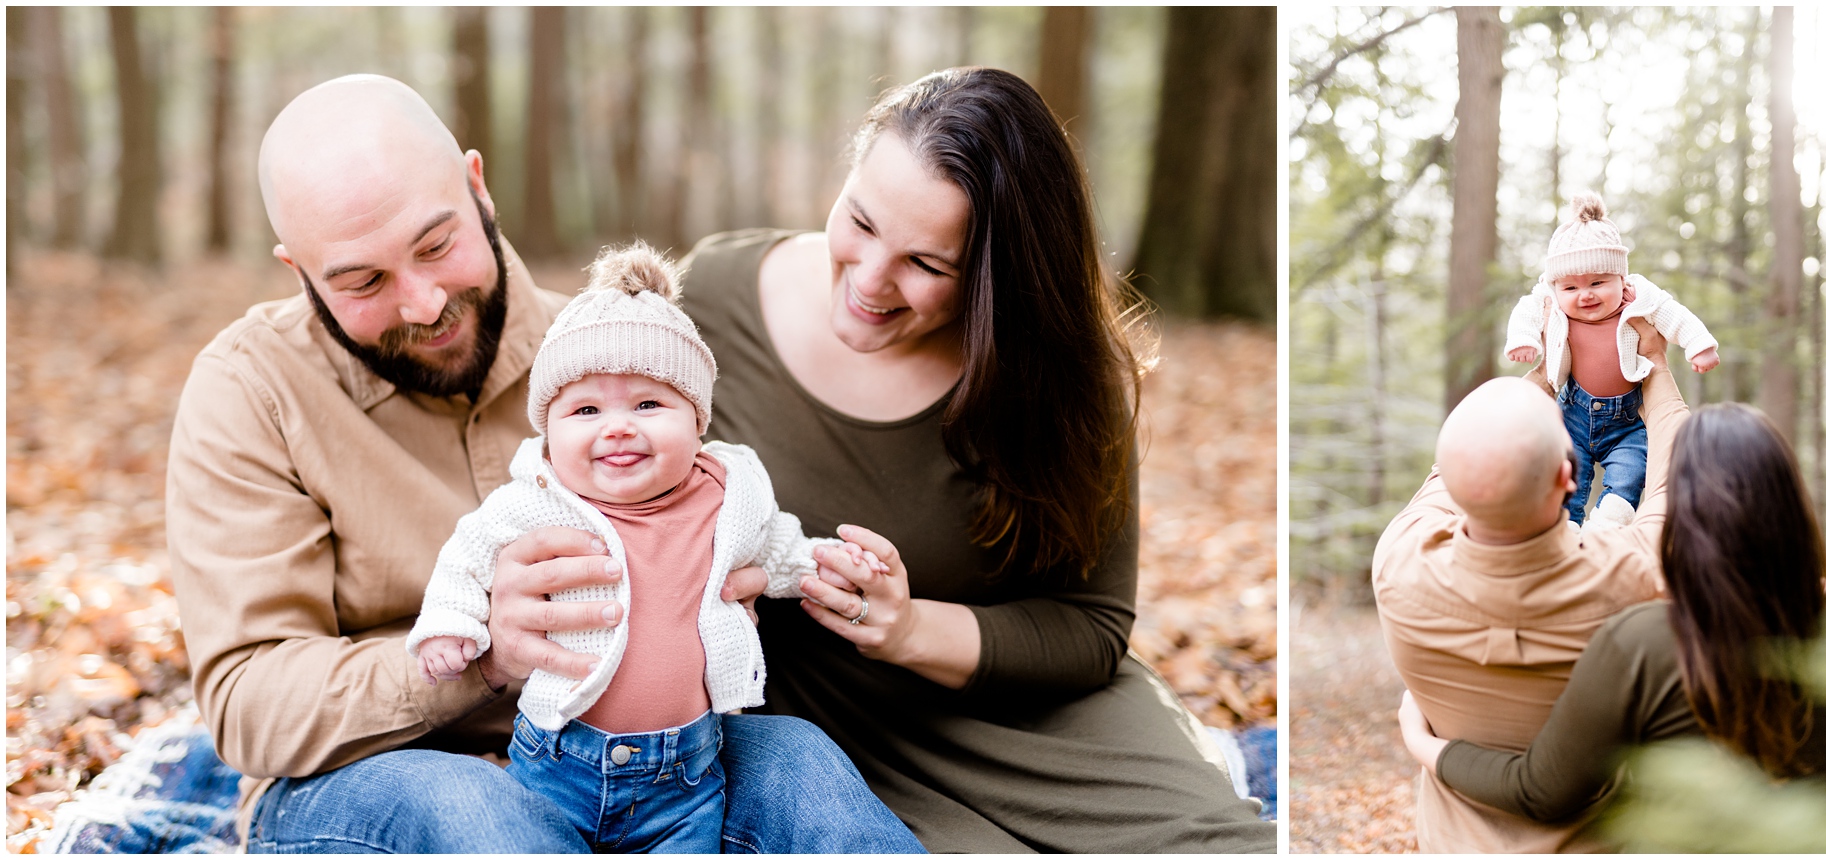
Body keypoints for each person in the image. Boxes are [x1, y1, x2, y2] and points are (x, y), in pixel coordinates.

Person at [492, 66, 1274, 852]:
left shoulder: (1066, 374)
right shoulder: (715, 299)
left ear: (998, 277)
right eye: (860, 222)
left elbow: (1091, 625)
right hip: (810, 747)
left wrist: (904, 630)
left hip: (1032, 728)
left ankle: (1227, 769)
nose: (869, 281)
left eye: (927, 265)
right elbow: (572, 429)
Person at [166, 74, 921, 853]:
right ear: (299, 272)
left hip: (652, 753)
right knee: (476, 812)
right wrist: (480, 657)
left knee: (800, 766)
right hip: (374, 769)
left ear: (478, 188)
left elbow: (730, 534)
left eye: (437, 245)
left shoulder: (628, 361)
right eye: (364, 281)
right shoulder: (250, 391)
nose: (424, 303)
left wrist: (779, 580)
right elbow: (248, 701)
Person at [407, 243, 872, 850]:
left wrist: (831, 565)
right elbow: (466, 557)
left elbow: (778, 547)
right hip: (558, 759)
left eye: (650, 404)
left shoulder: (726, 496)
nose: (618, 425)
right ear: (549, 430)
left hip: (688, 773)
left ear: (697, 420)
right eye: (586, 409)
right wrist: (447, 624)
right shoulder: (539, 499)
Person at [1398, 402, 1826, 836]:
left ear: (1685, 516)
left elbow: (1541, 790)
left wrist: (1422, 742)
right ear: (1793, 501)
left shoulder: (1643, 645)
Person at [1371, 320, 1686, 852]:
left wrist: (1547, 371)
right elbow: (1675, 480)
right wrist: (1652, 365)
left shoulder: (1399, 563)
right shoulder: (1635, 575)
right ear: (1569, 479)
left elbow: (1460, 465)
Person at [1503, 192, 1719, 527]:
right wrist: (1523, 339)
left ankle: (1608, 526)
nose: (1585, 294)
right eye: (1571, 288)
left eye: (1597, 282)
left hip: (1628, 420)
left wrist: (1699, 344)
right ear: (1556, 286)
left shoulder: (1638, 298)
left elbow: (1674, 314)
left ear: (1621, 279)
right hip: (1573, 411)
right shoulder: (1550, 302)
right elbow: (1526, 311)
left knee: (1631, 476)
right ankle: (1567, 528)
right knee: (1566, 476)